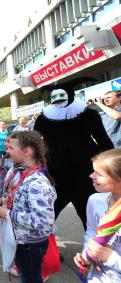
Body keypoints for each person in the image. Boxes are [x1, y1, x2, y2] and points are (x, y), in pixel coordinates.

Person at [34, 78, 114, 229]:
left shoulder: (89, 115)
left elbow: (104, 141)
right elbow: (34, 143)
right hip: (55, 176)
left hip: (86, 174)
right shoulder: (43, 119)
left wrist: (115, 167)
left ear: (70, 94)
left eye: (61, 95)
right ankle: (46, 251)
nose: (58, 100)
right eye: (54, 97)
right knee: (46, 215)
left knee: (91, 216)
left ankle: (94, 250)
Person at [0, 131, 57, 283]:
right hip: (18, 237)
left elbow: (44, 222)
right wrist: (1, 202)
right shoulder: (16, 171)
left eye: (11, 148)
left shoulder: (38, 184)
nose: (7, 151)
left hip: (30, 244)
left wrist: (7, 213)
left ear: (27, 151)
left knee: (30, 278)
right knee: (26, 273)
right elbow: (11, 194)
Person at [74, 148, 121, 282]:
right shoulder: (95, 200)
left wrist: (110, 257)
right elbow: (92, 231)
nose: (91, 176)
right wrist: (86, 255)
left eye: (98, 173)